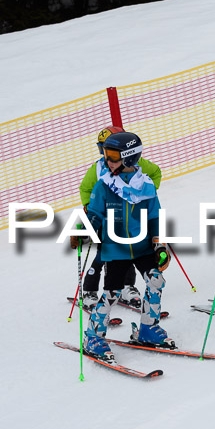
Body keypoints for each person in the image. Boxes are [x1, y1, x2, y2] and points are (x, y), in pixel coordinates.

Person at [83, 132, 172, 361]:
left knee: (156, 280)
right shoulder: (104, 186)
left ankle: (148, 329)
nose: (106, 161)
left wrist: (159, 245)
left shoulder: (146, 186)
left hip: (142, 246)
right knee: (112, 292)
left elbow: (155, 217)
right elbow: (94, 213)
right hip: (117, 247)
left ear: (130, 158)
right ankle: (93, 336)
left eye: (112, 156)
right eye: (105, 154)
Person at [70, 125, 162, 310]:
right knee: (103, 254)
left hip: (132, 219)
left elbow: (155, 173)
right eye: (103, 150)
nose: (107, 158)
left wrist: (141, 197)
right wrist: (90, 207)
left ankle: (128, 287)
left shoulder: (138, 164)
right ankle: (89, 290)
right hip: (108, 218)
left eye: (112, 152)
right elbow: (85, 188)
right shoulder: (97, 168)